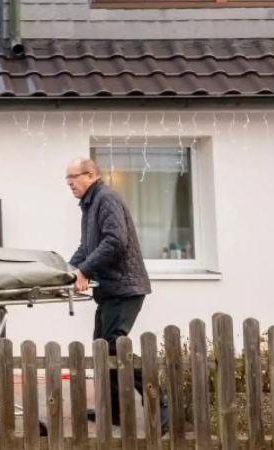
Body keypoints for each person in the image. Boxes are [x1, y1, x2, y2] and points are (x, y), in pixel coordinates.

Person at [65, 158, 169, 435]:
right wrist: (68, 270)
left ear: (90, 175)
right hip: (111, 289)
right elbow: (87, 246)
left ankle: (161, 401)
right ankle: (113, 411)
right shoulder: (90, 204)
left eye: (73, 177)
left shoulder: (106, 198)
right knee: (102, 346)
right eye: (67, 179)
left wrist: (84, 269)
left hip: (125, 288)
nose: (69, 183)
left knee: (113, 346)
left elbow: (114, 241)